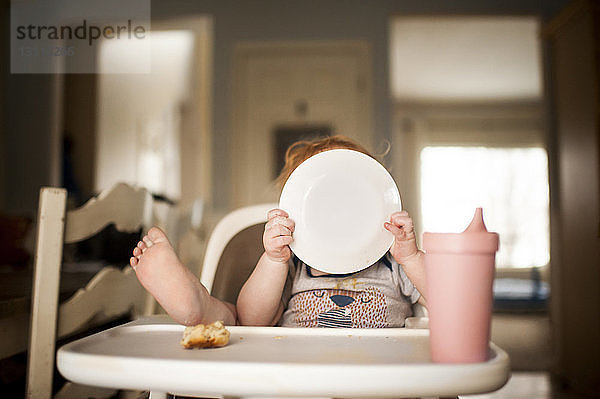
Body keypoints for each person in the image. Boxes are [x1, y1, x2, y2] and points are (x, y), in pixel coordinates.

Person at [130, 135, 426, 328]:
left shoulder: (393, 263)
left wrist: (411, 257)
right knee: (236, 323)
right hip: (295, 379)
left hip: (377, 381)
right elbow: (252, 321)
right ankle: (197, 306)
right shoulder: (294, 265)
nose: (338, 212)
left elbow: (449, 304)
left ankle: (202, 309)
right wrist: (274, 260)